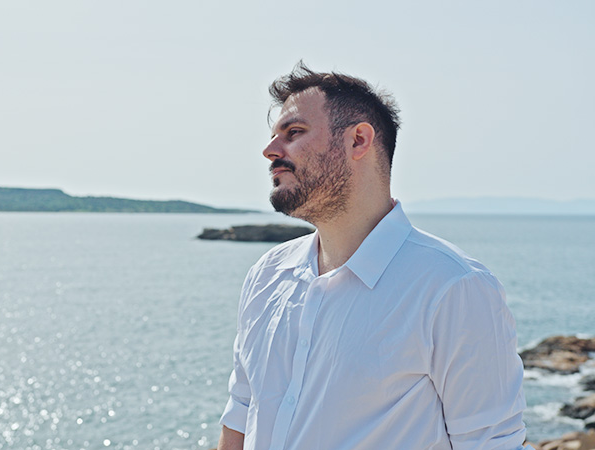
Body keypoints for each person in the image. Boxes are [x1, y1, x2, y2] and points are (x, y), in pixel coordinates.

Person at [217, 62, 531, 450]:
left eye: (293, 132)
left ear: (358, 140)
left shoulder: (454, 288)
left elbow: (492, 444)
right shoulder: (266, 275)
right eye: (273, 137)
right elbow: (241, 414)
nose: (270, 151)